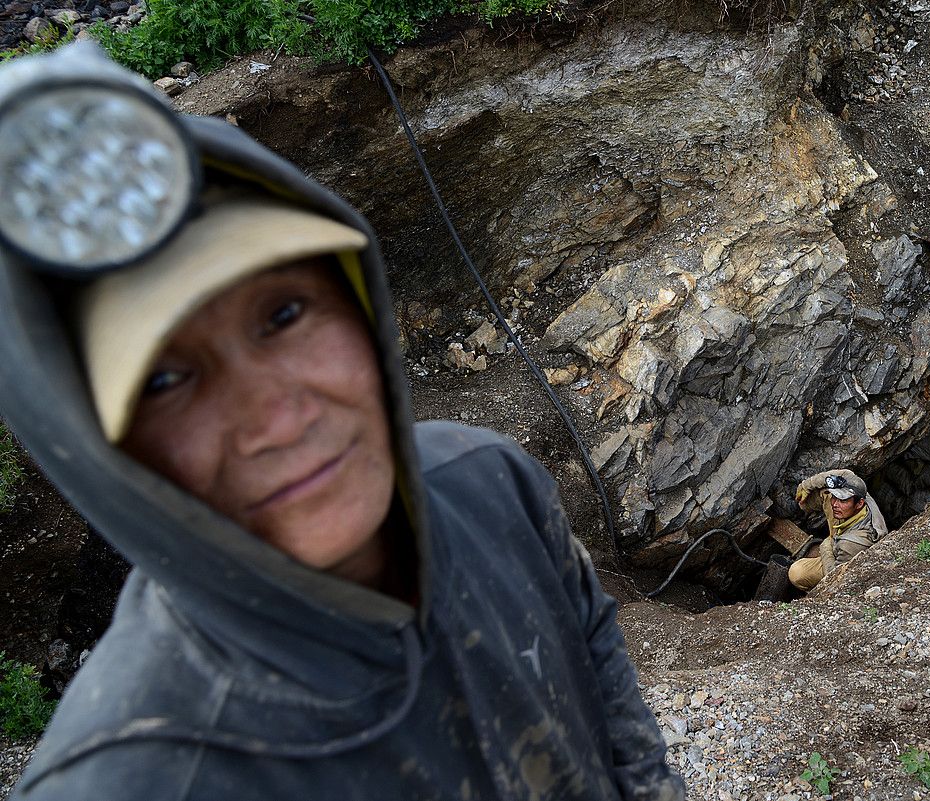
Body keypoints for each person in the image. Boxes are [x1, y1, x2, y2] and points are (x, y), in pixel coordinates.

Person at [0, 43, 684, 801]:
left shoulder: (489, 482)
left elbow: (593, 643)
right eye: (165, 379)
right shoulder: (134, 780)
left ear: (358, 302)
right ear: (98, 454)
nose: (280, 417)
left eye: (285, 313)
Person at [788, 469, 888, 591]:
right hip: (842, 531)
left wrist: (826, 546)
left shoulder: (852, 543)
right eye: (835, 497)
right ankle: (798, 510)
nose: (835, 504)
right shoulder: (857, 489)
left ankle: (812, 593)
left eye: (843, 500)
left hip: (841, 551)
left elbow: (834, 577)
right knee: (825, 493)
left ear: (859, 503)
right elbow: (844, 474)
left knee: (796, 573)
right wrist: (806, 485)